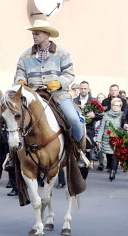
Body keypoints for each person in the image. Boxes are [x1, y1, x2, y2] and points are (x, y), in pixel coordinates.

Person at [13, 20, 89, 167]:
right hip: (33, 95)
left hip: (58, 94)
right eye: (33, 33)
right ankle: (11, 156)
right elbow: (19, 73)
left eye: (37, 33)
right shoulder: (25, 55)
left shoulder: (62, 53)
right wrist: (20, 81)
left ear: (47, 34)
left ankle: (78, 151)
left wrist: (59, 82)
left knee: (73, 118)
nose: (33, 36)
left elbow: (69, 74)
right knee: (14, 120)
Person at [96, 96, 125, 181]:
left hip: (118, 138)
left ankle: (113, 170)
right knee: (109, 154)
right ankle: (110, 167)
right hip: (107, 138)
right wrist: (98, 139)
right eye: (113, 105)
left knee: (115, 155)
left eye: (117, 105)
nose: (115, 107)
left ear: (120, 106)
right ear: (111, 106)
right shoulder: (106, 115)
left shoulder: (123, 115)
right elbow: (102, 127)